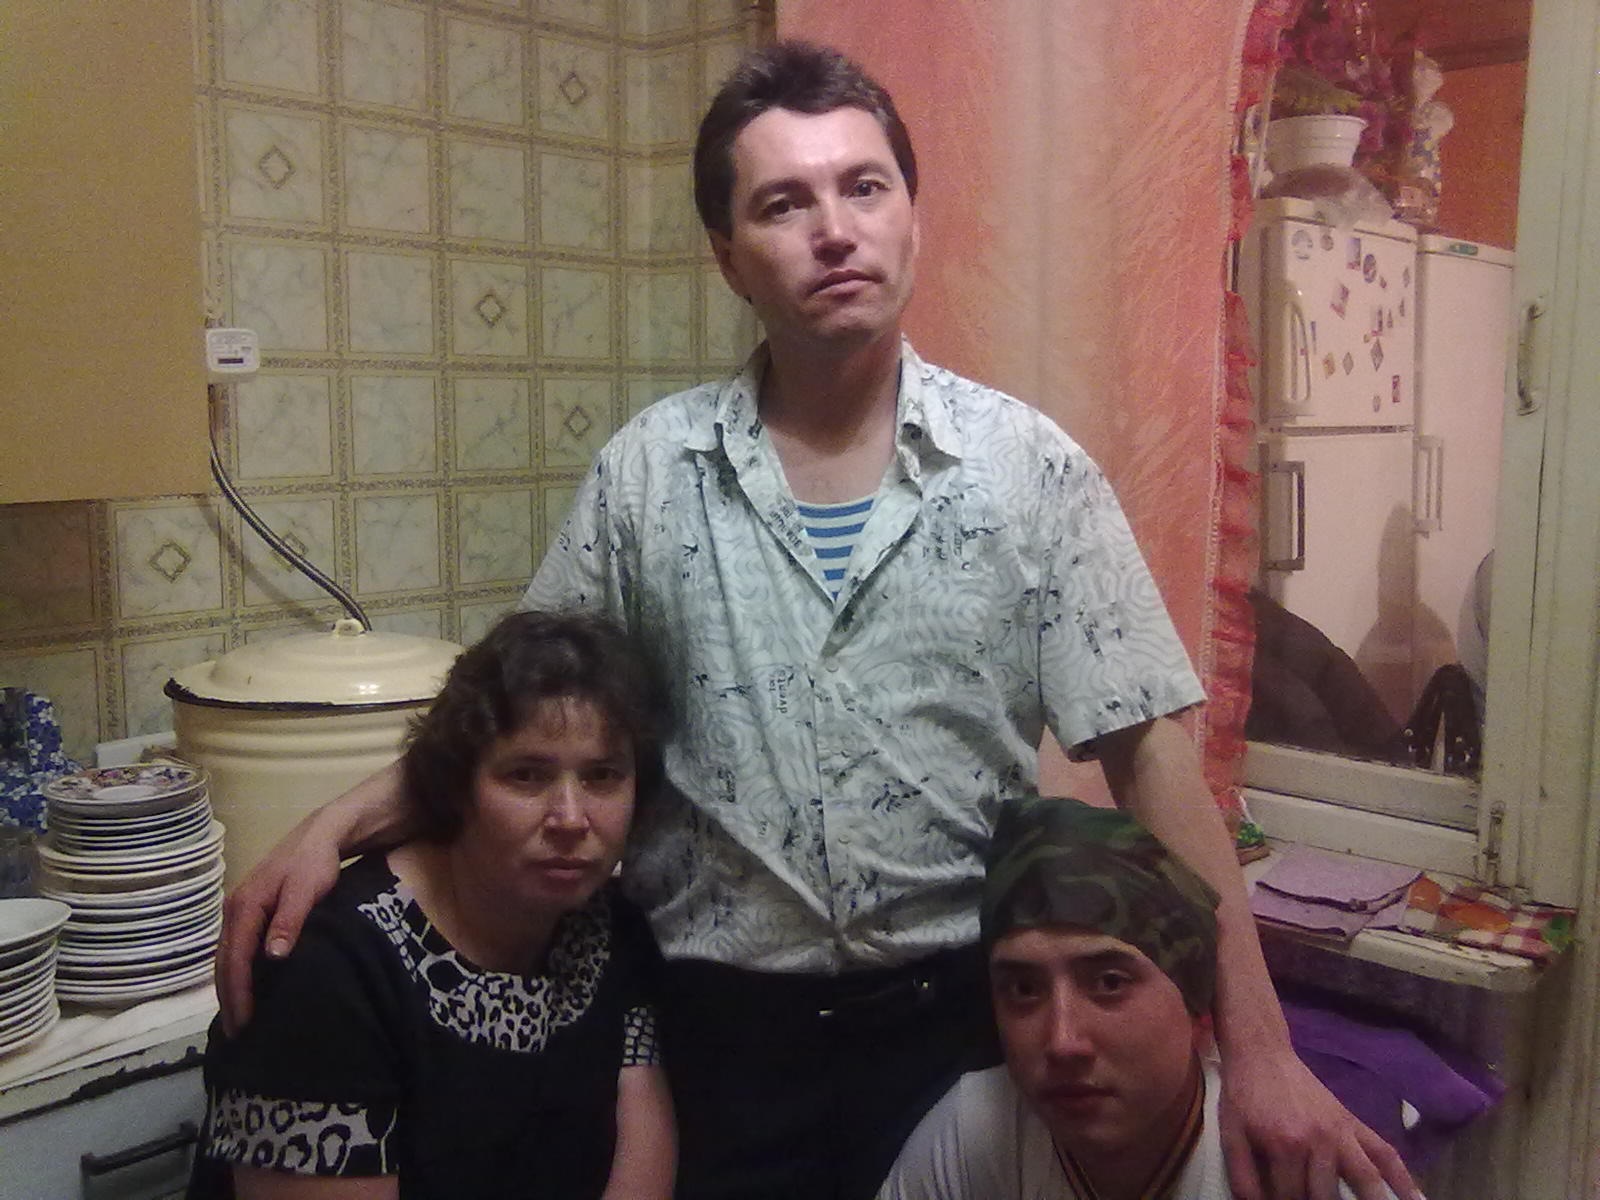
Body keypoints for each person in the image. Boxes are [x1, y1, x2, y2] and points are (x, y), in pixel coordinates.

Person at [217, 40, 1417, 1200]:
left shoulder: (1029, 472)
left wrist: (1259, 1048)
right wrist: (335, 823)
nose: (833, 229)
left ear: (913, 218)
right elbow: (521, 721)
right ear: (729, 259)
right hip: (715, 1045)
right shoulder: (649, 475)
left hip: (952, 1039)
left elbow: (1152, 756)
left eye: (864, 187)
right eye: (783, 204)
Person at [189, 611, 676, 1199]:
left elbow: (643, 1151)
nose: (571, 819)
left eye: (602, 776)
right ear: (455, 787)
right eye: (525, 775)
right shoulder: (329, 971)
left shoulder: (607, 923)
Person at [878, 796, 1396, 1200]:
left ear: (1197, 1007)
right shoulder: (979, 1133)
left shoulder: (1296, 1168)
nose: (1063, 1042)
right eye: (1024, 989)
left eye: (1109, 982)